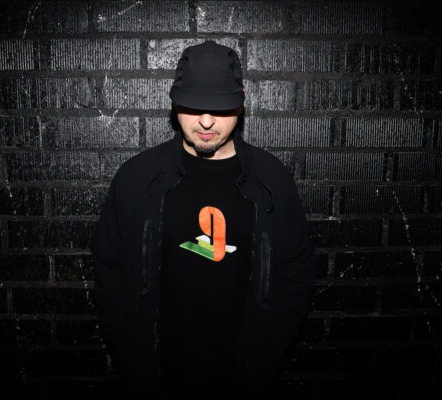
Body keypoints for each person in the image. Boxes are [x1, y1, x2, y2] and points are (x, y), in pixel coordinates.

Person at [91, 40, 315, 399]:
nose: (207, 121)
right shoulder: (137, 179)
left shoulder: (271, 180)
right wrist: (131, 354)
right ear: (174, 101)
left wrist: (268, 354)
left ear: (241, 102)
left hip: (245, 377)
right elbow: (110, 270)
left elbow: (296, 271)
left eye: (221, 107)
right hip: (157, 377)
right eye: (194, 106)